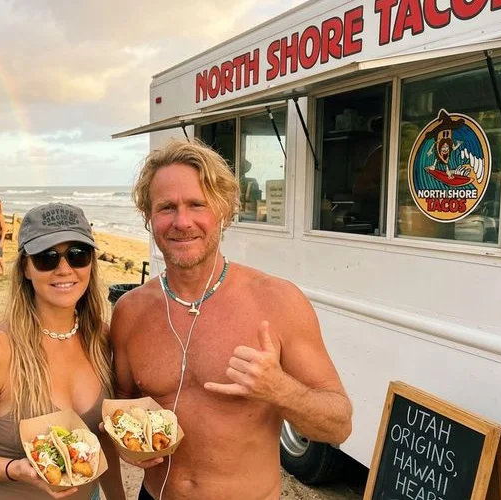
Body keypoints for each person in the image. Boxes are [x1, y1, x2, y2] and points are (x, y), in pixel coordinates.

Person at [112, 140, 352, 500]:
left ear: (223, 210)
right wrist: (127, 442)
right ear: (149, 217)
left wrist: (279, 389)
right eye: (166, 207)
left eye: (197, 204)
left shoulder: (277, 301)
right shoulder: (130, 311)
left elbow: (339, 424)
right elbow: (123, 400)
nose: (182, 221)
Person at [0, 203, 125, 500]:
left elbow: (103, 442)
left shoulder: (99, 337)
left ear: (91, 262)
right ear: (25, 267)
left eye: (78, 254)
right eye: (46, 258)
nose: (64, 269)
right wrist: (15, 469)